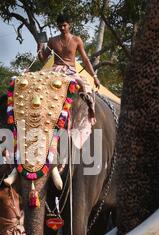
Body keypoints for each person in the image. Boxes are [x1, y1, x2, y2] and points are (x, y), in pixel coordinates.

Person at [37, 13, 100, 148]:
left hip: (71, 71)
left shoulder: (76, 40)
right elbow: (43, 58)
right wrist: (39, 46)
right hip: (55, 70)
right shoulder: (52, 41)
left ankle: (87, 111)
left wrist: (94, 77)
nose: (62, 28)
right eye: (60, 26)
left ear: (69, 25)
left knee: (84, 87)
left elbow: (85, 60)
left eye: (64, 25)